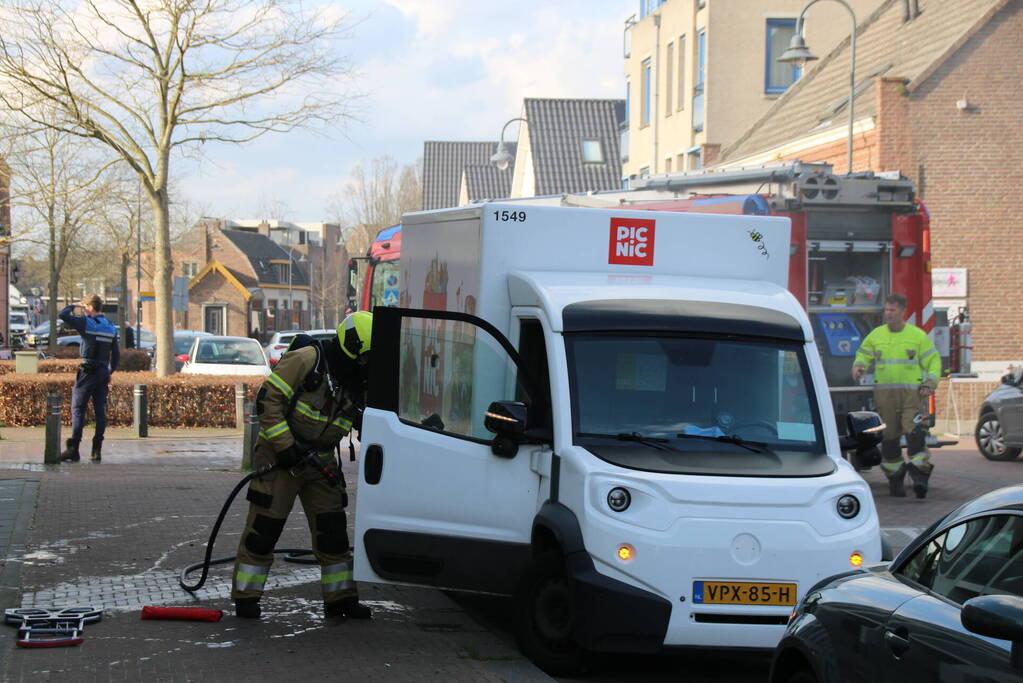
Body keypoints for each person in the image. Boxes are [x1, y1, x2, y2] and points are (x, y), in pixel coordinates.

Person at [232, 311, 373, 621]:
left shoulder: (354, 378)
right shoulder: (307, 359)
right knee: (263, 530)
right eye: (365, 358)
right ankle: (246, 598)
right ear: (352, 348)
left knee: (333, 532)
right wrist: (284, 448)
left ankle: (340, 600)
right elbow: (268, 401)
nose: (367, 366)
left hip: (320, 461)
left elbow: (359, 414)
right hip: (280, 460)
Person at [852, 293, 941, 498]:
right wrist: (858, 367)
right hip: (885, 397)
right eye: (886, 310)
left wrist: (930, 383)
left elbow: (934, 362)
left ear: (902, 312)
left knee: (916, 434)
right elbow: (863, 354)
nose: (888, 314)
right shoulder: (876, 335)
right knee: (889, 439)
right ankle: (895, 478)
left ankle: (920, 477)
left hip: (913, 396)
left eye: (892, 310)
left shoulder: (917, 336)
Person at [58, 294, 120, 463]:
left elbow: (63, 315)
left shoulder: (87, 323)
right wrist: (109, 372)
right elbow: (116, 355)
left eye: (85, 307)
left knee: (78, 409)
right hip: (102, 372)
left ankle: (74, 449)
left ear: (90, 307)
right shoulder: (111, 327)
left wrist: (73, 304)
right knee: (100, 410)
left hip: (87, 372)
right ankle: (96, 450)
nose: (84, 310)